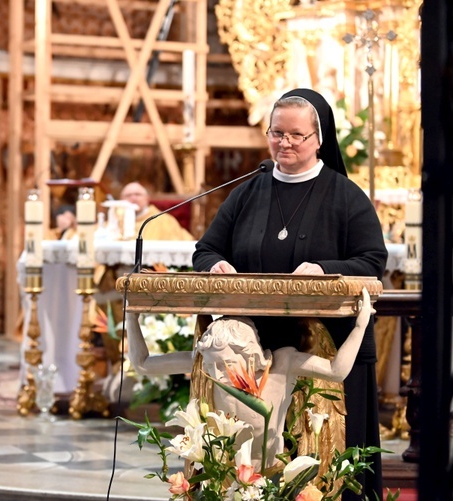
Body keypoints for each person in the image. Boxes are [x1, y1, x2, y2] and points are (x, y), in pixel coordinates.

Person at [191, 88, 387, 500]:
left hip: (321, 344)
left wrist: (324, 269)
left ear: (319, 138)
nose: (285, 143)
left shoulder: (346, 197)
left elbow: (372, 261)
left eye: (296, 135)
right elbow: (206, 248)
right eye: (277, 133)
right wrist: (214, 265)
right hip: (250, 346)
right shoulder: (249, 189)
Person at [125, 288, 374, 473]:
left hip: (271, 475)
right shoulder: (206, 365)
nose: (217, 375)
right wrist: (131, 319)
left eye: (226, 365)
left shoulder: (282, 365)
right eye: (212, 366)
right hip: (223, 474)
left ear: (250, 355)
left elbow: (335, 370)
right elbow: (143, 364)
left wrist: (360, 326)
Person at [120, 182, 194, 241]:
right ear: (121, 199)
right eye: (128, 195)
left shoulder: (164, 220)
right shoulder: (115, 221)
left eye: (138, 194)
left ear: (147, 198)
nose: (133, 198)